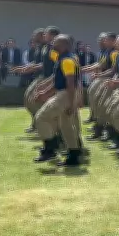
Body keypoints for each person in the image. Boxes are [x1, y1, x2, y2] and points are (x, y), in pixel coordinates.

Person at [32, 34, 83, 166]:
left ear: (64, 45)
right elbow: (58, 80)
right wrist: (45, 92)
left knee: (41, 118)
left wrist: (72, 104)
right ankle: (73, 155)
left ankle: (50, 148)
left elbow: (70, 83)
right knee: (66, 126)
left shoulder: (67, 60)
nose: (52, 43)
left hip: (66, 95)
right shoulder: (63, 59)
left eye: (56, 42)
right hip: (64, 93)